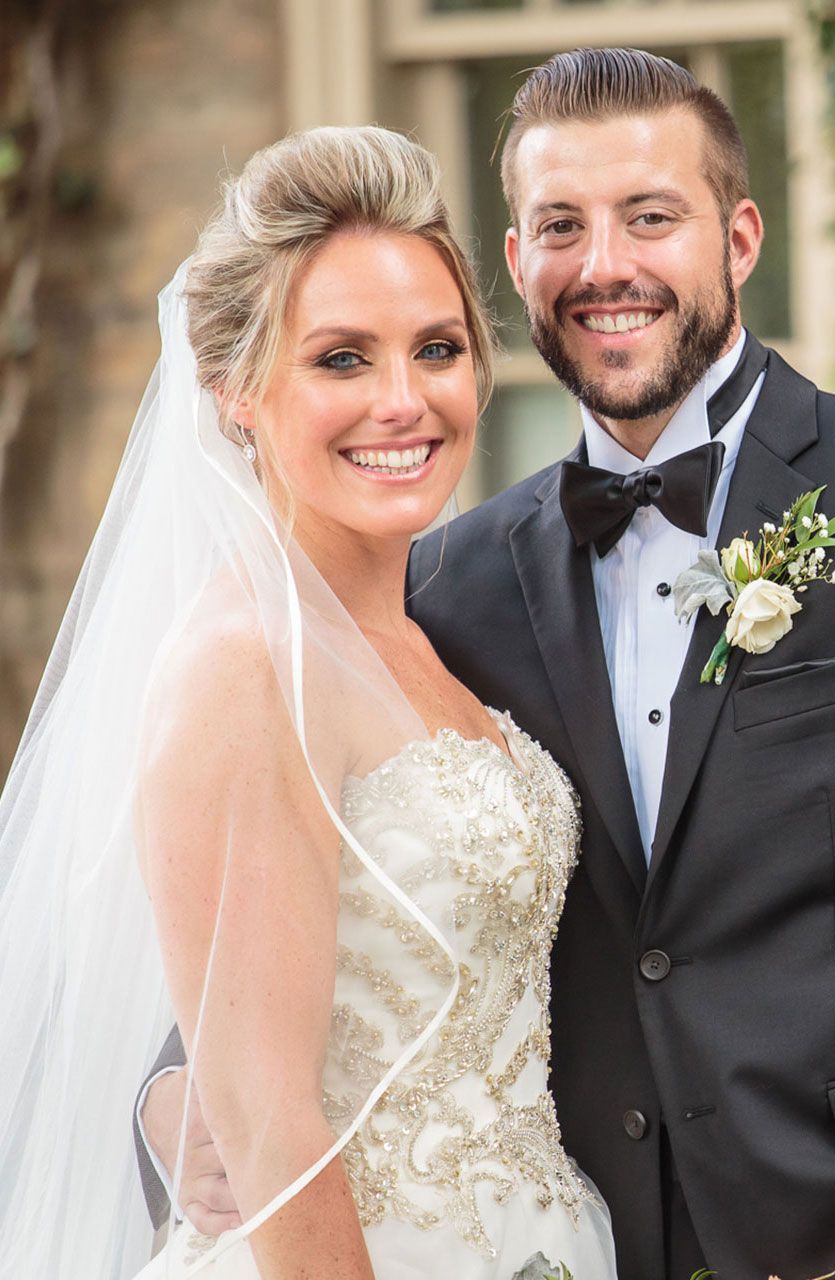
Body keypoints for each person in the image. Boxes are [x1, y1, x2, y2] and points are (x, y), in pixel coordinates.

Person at [143, 47, 835, 1279]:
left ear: (740, 236)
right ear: (516, 267)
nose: (606, 265)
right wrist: (167, 1109)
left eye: (651, 217)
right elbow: (274, 948)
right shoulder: (442, 581)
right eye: (562, 224)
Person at [0, 126, 617, 1277]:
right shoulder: (245, 663)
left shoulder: (427, 635)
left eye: (436, 348)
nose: (404, 400)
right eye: (341, 358)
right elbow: (271, 1113)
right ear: (235, 390)